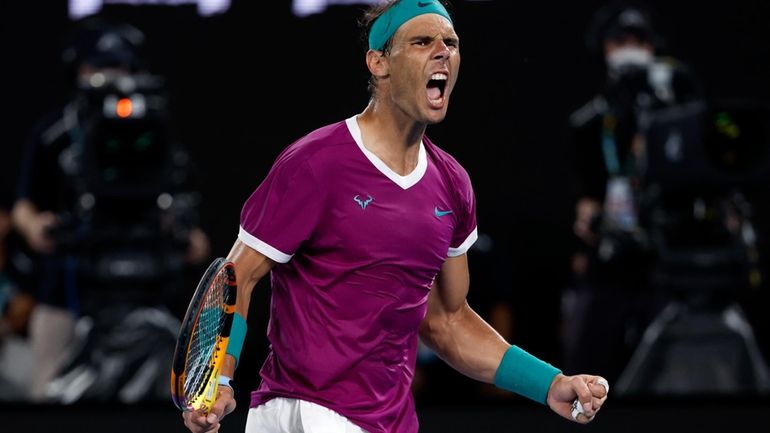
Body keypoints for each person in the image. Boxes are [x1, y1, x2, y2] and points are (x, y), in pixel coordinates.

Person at [182, 1, 608, 432]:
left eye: (451, 43)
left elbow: (448, 321)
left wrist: (548, 383)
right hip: (306, 412)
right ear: (378, 62)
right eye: (422, 42)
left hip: (391, 420)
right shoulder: (315, 163)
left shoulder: (452, 184)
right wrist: (216, 379)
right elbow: (236, 277)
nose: (443, 52)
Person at [12, 16, 210, 402]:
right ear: (78, 70)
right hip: (67, 287)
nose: (107, 76)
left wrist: (189, 234)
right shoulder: (55, 132)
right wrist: (37, 226)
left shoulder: (156, 129)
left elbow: (183, 201)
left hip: (147, 291)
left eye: (118, 67)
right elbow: (24, 203)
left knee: (171, 398)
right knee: (48, 395)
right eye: (97, 67)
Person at [564, 2, 703, 385]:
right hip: (612, 261)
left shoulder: (679, 113)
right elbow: (587, 194)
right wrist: (588, 218)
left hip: (670, 263)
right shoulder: (591, 122)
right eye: (620, 40)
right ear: (604, 48)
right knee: (585, 367)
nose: (630, 47)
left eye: (638, 39)